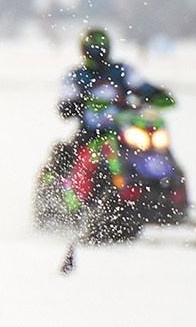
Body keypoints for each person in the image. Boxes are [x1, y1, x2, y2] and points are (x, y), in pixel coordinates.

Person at [53, 27, 175, 213]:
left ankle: (171, 196)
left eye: (100, 49)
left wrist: (156, 94)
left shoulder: (121, 70)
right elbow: (65, 103)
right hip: (91, 134)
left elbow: (141, 86)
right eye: (94, 49)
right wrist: (79, 103)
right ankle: (76, 204)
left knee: (160, 150)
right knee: (66, 157)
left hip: (123, 131)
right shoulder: (76, 76)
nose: (97, 53)